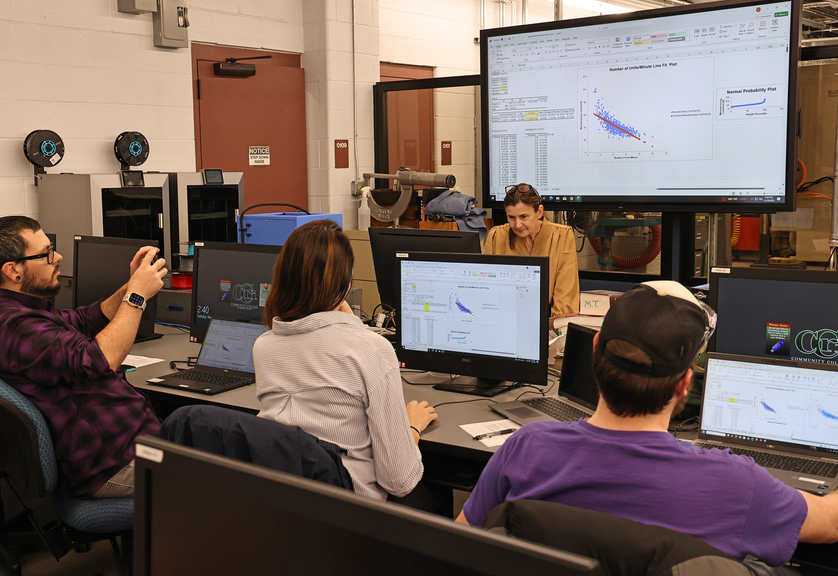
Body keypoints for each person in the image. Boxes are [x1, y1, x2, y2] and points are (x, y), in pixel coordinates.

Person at [456, 281, 838, 569]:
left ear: (594, 353)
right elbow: (830, 523)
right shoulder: (737, 483)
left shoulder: (525, 447)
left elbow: (458, 546)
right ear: (685, 383)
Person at [0, 216, 166, 499]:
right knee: (236, 475)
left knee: (202, 422)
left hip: (132, 444)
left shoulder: (18, 311)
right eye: (46, 253)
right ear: (13, 270)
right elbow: (101, 360)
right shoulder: (17, 327)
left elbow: (86, 319)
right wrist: (136, 297)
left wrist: (130, 285)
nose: (58, 257)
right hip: (113, 464)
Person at [253, 220, 437, 502]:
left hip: (286, 502)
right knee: (432, 495)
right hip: (351, 511)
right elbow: (399, 481)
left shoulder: (264, 347)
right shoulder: (371, 350)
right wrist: (412, 427)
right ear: (345, 282)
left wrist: (348, 324)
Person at [483, 183, 579, 317]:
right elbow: (486, 290)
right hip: (504, 318)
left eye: (523, 217)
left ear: (539, 212)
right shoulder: (497, 236)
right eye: (511, 217)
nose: (517, 225)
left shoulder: (561, 237)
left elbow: (565, 299)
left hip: (549, 323)